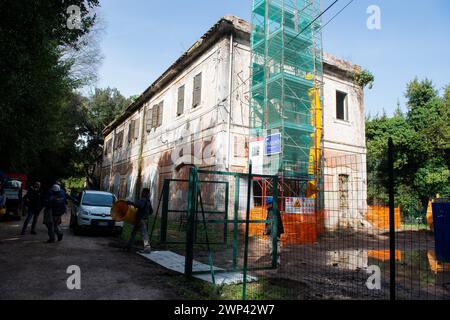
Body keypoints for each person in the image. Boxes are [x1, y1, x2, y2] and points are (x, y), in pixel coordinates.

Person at [126, 188, 153, 253]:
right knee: (134, 233)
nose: (141, 193)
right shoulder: (148, 201)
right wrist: (146, 212)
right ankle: (129, 245)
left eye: (142, 192)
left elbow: (138, 205)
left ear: (145, 193)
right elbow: (151, 211)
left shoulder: (143, 200)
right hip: (144, 219)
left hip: (140, 220)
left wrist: (130, 203)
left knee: (144, 234)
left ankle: (147, 248)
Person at [264, 197, 284, 266]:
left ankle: (274, 261)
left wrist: (266, 231)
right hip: (277, 232)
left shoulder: (271, 211)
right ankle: (277, 261)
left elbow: (270, 223)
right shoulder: (276, 210)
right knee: (277, 245)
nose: (266, 205)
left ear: (270, 204)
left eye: (267, 204)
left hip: (273, 232)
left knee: (272, 246)